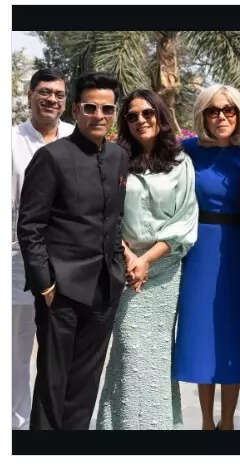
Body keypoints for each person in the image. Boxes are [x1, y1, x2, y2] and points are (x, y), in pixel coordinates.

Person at [17, 72, 128, 430]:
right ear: (77, 110)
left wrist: (117, 271)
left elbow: (115, 219)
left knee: (85, 385)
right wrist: (45, 284)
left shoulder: (118, 157)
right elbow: (30, 225)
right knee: (53, 384)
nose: (99, 115)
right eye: (91, 108)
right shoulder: (51, 157)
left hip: (104, 289)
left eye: (107, 109)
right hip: (61, 292)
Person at [96, 89, 198, 430]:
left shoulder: (182, 163)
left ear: (160, 116)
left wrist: (147, 260)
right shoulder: (116, 160)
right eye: (132, 116)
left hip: (164, 269)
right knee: (128, 349)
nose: (140, 120)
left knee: (155, 355)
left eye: (147, 113)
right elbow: (107, 214)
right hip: (125, 267)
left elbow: (185, 220)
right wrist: (130, 258)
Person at [173, 85, 240, 431]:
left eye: (229, 110)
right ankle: (205, 422)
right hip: (199, 249)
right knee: (202, 332)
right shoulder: (187, 151)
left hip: (239, 249)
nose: (221, 117)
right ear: (202, 115)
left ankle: (228, 422)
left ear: (239, 114)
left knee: (234, 332)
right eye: (213, 111)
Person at [11, 68, 74, 430]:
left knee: (58, 356)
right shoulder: (11, 141)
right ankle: (14, 431)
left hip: (66, 266)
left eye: (59, 94)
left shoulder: (75, 137)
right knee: (14, 356)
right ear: (30, 95)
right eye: (45, 92)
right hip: (17, 264)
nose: (52, 99)